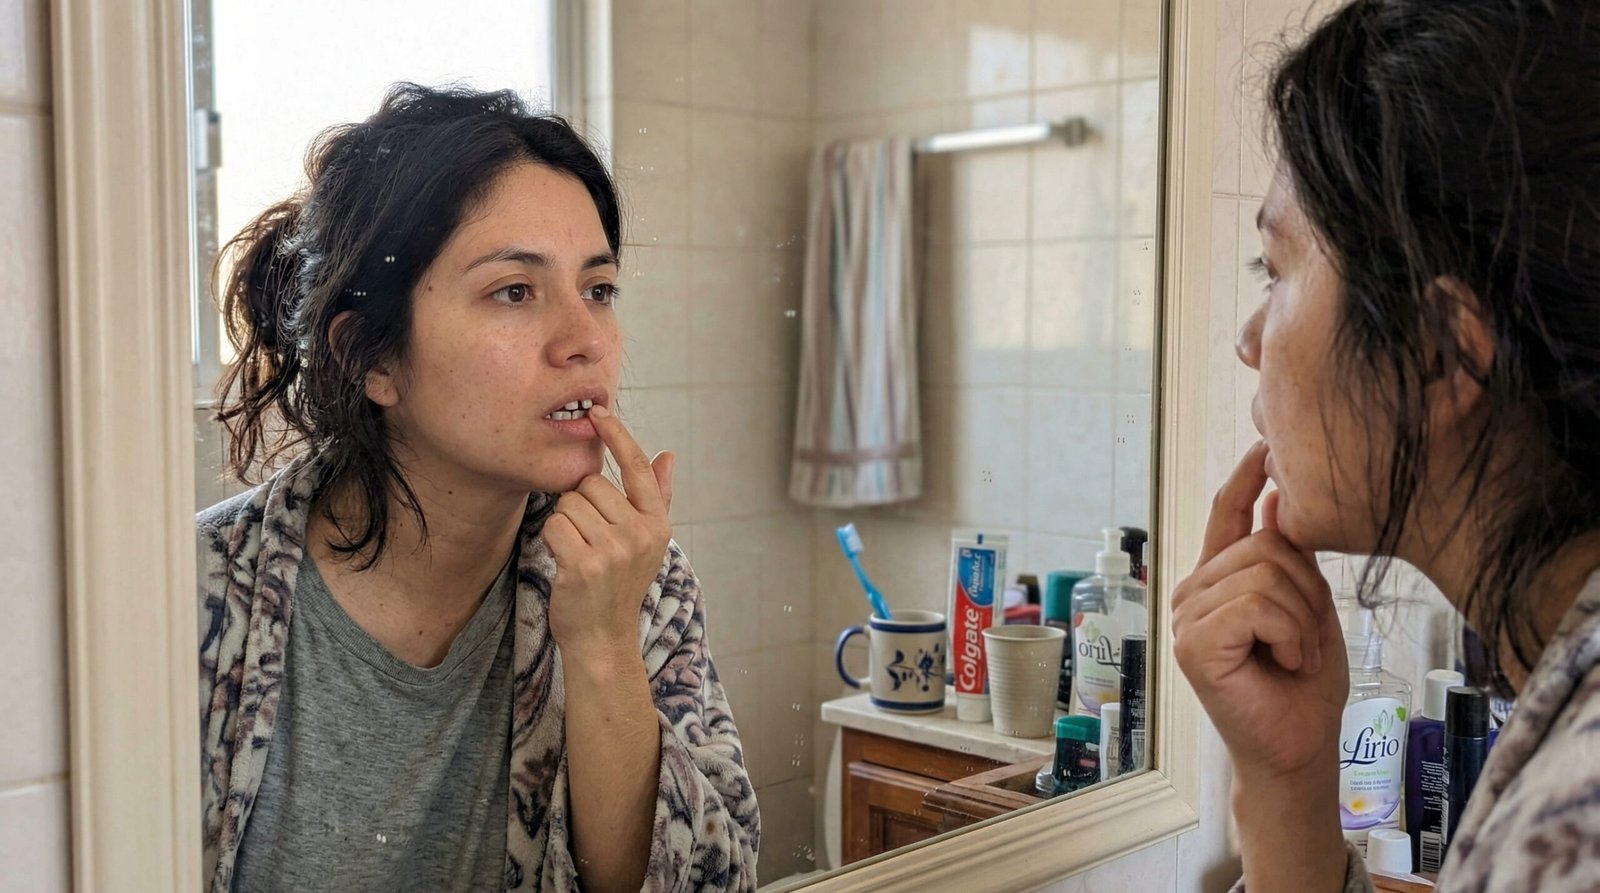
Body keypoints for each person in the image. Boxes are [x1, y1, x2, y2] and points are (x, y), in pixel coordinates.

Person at [196, 83, 759, 892]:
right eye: (515, 291)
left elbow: (717, 882)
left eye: (598, 288)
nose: (587, 340)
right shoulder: (206, 592)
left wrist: (603, 651)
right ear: (370, 359)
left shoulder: (635, 582)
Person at [1172, 1, 1600, 891]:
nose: (1249, 339)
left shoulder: (1570, 824)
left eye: (1276, 270)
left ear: (1438, 350)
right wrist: (1286, 785)